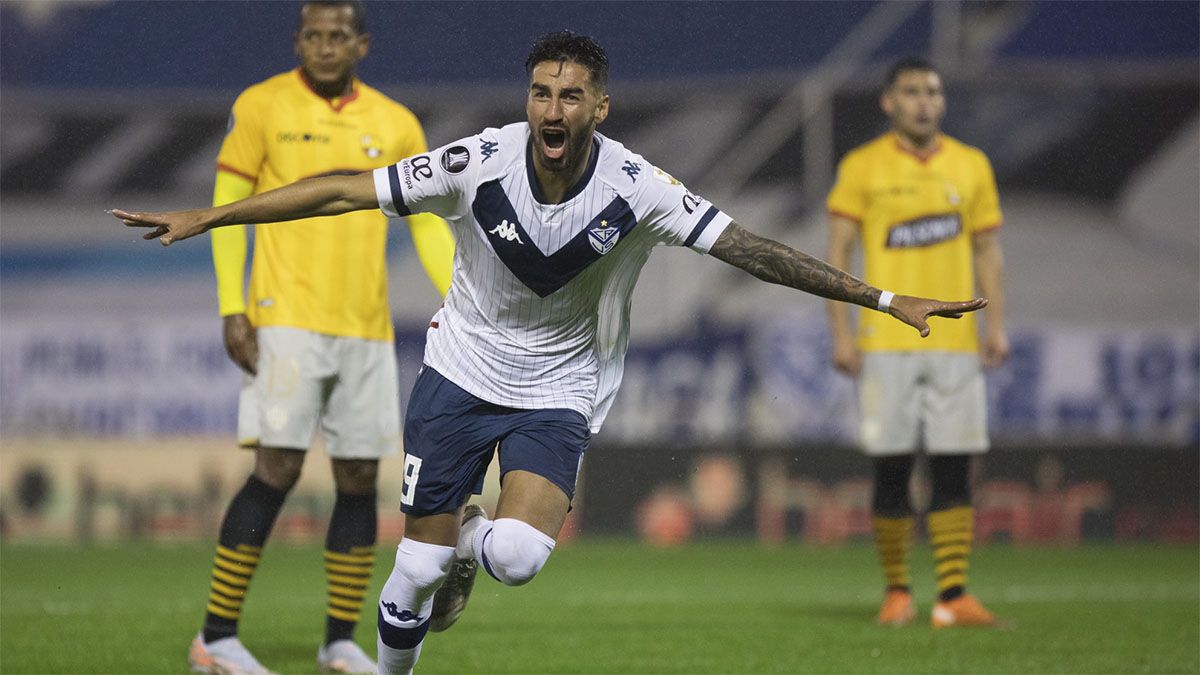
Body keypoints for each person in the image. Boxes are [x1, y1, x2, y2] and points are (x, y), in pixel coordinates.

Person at [114, 32, 985, 674]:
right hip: (459, 373)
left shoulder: (638, 186)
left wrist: (882, 297)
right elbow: (346, 189)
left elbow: (751, 248)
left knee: (521, 559)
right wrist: (212, 217)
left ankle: (466, 548)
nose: (552, 110)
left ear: (599, 106)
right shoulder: (476, 160)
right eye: (540, 93)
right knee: (414, 566)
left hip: (560, 386)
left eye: (571, 96)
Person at [186, 2, 454, 673]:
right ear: (298, 39)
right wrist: (232, 306)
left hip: (365, 327)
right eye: (313, 35)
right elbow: (225, 208)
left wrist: (462, 297)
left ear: (362, 43)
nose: (325, 46)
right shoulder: (261, 106)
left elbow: (424, 222)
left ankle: (338, 640)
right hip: (284, 319)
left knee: (360, 478)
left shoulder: (396, 122)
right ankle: (215, 637)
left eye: (338, 36)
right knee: (274, 467)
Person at [824, 57, 1009, 628]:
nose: (924, 101)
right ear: (889, 101)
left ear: (943, 100)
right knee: (892, 468)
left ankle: (952, 596)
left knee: (955, 466)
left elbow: (986, 251)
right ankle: (898, 591)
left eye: (933, 91)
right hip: (886, 342)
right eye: (912, 91)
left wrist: (996, 324)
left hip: (956, 344)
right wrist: (842, 333)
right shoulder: (862, 166)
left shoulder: (972, 165)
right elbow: (837, 256)